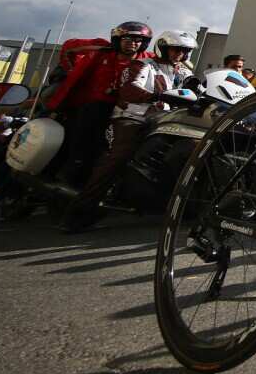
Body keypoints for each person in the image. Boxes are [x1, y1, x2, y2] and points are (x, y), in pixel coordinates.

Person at [63, 30, 197, 232]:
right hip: (134, 118)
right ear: (163, 47)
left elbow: (199, 91)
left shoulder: (185, 73)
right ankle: (79, 211)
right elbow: (130, 88)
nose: (180, 54)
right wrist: (155, 96)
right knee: (119, 157)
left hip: (167, 122)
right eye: (176, 49)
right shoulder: (143, 65)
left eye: (184, 51)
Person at [45, 22, 151, 189]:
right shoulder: (102, 52)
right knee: (75, 139)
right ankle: (68, 176)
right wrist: (76, 66)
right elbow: (68, 49)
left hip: (125, 113)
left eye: (138, 40)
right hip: (89, 108)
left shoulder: (147, 60)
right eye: (127, 39)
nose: (133, 43)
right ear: (117, 39)